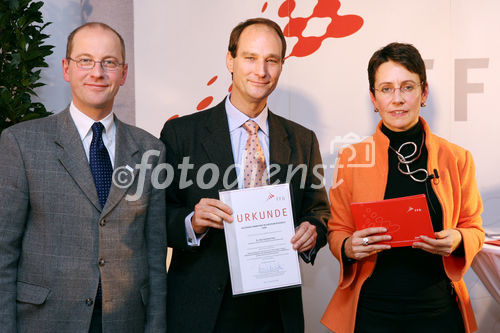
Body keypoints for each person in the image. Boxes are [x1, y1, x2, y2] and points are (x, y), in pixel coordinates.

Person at [160, 17, 330, 333]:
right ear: (230, 60)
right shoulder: (181, 134)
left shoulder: (302, 140)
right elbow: (157, 216)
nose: (261, 71)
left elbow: (318, 211)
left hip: (275, 311)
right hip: (202, 310)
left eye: (272, 60)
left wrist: (313, 233)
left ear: (281, 66)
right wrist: (191, 222)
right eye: (250, 58)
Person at [0, 22, 167, 332]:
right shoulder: (21, 144)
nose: (97, 72)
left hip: (125, 321)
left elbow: (155, 258)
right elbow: (3, 252)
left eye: (109, 62)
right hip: (45, 320)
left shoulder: (150, 150)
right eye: (85, 60)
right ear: (66, 68)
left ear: (124, 73)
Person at [321, 42, 484, 333]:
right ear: (373, 98)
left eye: (407, 87)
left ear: (424, 93)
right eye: (386, 89)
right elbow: (337, 230)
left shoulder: (457, 158)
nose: (397, 99)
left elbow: (474, 227)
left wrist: (458, 239)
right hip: (372, 311)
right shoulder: (351, 159)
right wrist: (348, 246)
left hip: (439, 311)